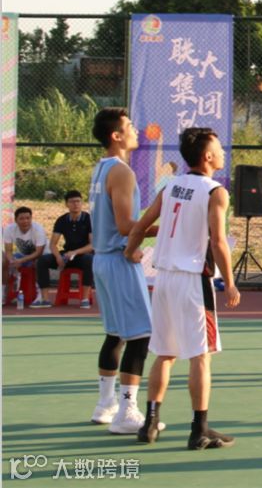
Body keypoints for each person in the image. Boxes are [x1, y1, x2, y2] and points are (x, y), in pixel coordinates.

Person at [125, 127, 242, 450]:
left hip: (163, 278)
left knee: (165, 353)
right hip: (193, 280)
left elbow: (141, 225)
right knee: (200, 356)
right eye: (219, 148)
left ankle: (150, 423)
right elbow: (218, 242)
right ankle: (199, 429)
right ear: (208, 156)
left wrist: (130, 251)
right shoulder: (215, 191)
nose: (223, 152)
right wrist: (231, 282)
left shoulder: (171, 186)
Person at [86, 107, 158, 434]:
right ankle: (128, 411)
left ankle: (105, 404)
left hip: (103, 259)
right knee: (140, 337)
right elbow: (126, 225)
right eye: (129, 125)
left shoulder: (101, 167)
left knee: (115, 334)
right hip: (118, 260)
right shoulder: (122, 171)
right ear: (116, 136)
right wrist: (170, 227)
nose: (135, 129)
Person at [36, 190, 94, 309]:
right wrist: (58, 257)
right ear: (66, 204)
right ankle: (45, 299)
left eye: (78, 201)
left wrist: (75, 252)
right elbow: (53, 244)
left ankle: (84, 299)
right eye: (72, 202)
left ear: (82, 203)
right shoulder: (62, 220)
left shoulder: (89, 219)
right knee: (42, 261)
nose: (75, 204)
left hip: (82, 255)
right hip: (66, 255)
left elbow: (93, 245)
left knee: (90, 260)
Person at [3, 206, 47, 304]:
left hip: (42, 255)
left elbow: (39, 252)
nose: (25, 221)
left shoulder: (38, 229)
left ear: (31, 218)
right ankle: (3, 292)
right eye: (22, 218)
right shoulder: (9, 229)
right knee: (3, 259)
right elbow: (8, 251)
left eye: (28, 218)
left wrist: (21, 261)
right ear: (16, 220)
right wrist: (12, 261)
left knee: (39, 262)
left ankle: (39, 294)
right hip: (22, 255)